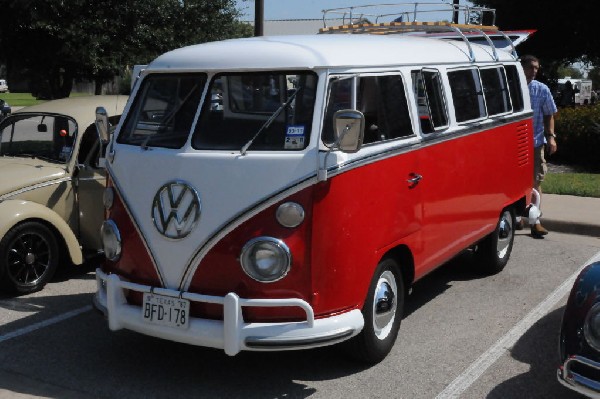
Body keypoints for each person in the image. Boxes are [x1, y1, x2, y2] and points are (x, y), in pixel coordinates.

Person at [519, 55, 558, 238]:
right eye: (531, 67)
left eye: (536, 68)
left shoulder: (541, 89)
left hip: (534, 143)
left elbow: (549, 114)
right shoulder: (512, 87)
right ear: (522, 67)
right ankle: (516, 217)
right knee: (513, 182)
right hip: (513, 144)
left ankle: (535, 222)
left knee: (535, 181)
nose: (534, 71)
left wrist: (551, 137)